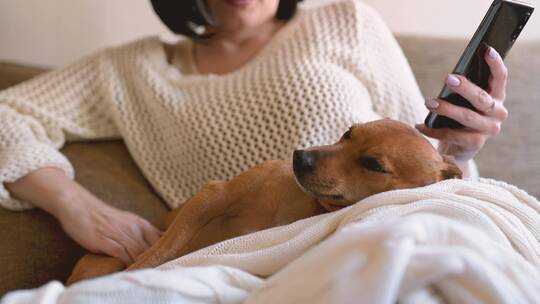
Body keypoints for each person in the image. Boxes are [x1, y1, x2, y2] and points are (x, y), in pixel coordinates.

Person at [0, 0, 508, 266]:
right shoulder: (128, 70)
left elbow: (420, 165)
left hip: (377, 241)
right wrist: (76, 205)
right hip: (244, 261)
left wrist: (460, 148)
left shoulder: (346, 22)